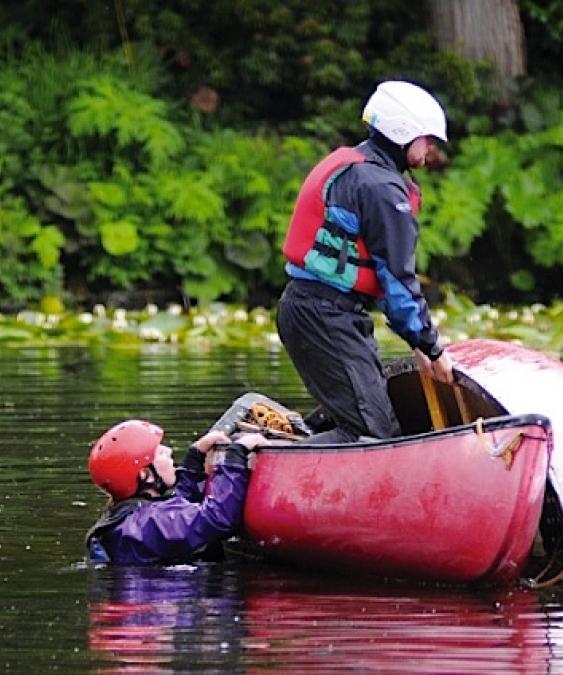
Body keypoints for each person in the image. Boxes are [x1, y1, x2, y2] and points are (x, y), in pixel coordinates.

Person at [276, 79, 454, 444]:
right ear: (403, 134)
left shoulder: (356, 166)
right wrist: (430, 346)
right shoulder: (381, 189)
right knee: (370, 436)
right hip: (324, 315)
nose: (430, 147)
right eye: (426, 138)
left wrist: (417, 343)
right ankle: (253, 457)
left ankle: (281, 441)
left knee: (368, 416)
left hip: (318, 310)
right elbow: (398, 281)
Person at [85, 419, 264, 565]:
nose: (169, 451)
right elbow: (218, 517)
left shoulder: (136, 519)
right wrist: (236, 457)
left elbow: (178, 518)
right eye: (160, 453)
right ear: (145, 475)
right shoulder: (150, 522)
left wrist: (194, 462)